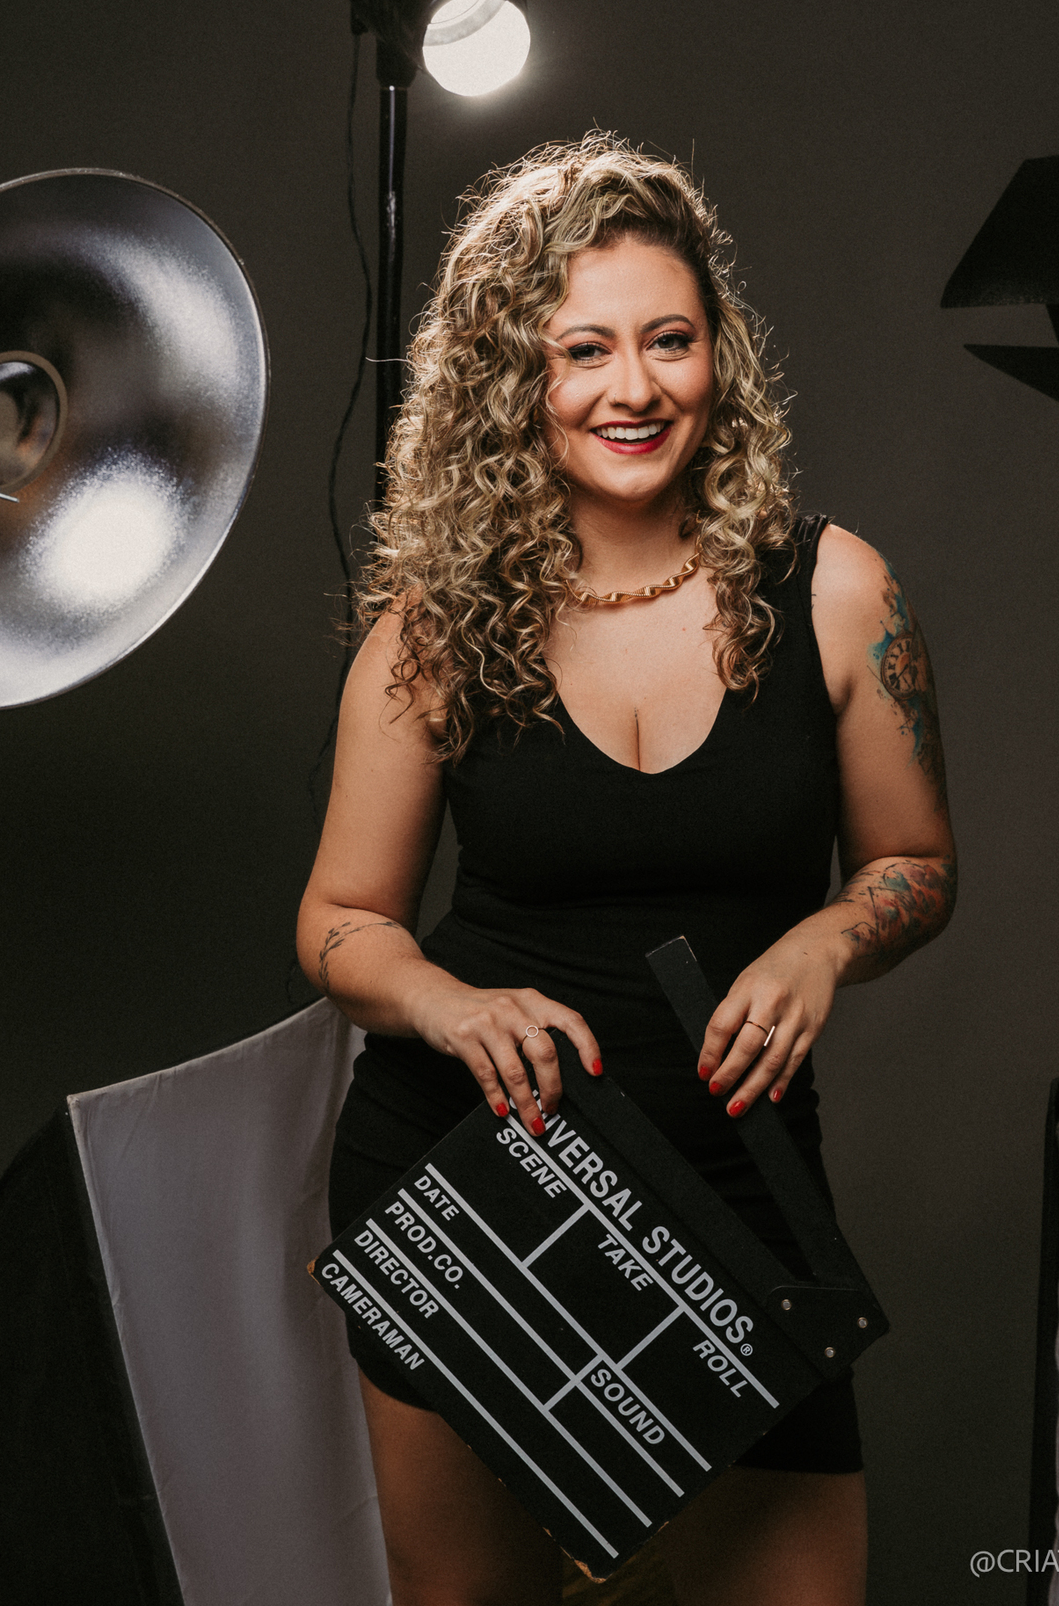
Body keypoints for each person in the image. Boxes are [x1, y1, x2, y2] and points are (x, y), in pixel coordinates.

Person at [297, 133, 956, 1606]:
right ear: (510, 380)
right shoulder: (435, 629)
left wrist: (826, 942)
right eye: (581, 349)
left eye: (669, 339)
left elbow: (916, 862)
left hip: (737, 1190)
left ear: (720, 356)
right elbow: (339, 919)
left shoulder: (837, 591)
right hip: (476, 1180)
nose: (633, 387)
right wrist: (450, 1004)